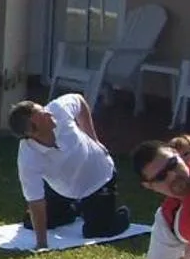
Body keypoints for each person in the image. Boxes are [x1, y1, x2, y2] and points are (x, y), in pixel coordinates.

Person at [7, 94, 132, 248]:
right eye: (42, 115)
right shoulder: (28, 157)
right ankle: (76, 209)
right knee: (31, 222)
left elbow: (79, 100)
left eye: (44, 109)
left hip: (98, 179)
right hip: (62, 189)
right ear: (33, 132)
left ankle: (122, 213)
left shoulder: (58, 109)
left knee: (96, 230)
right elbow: (35, 200)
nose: (48, 113)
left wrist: (93, 138)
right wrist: (42, 244)